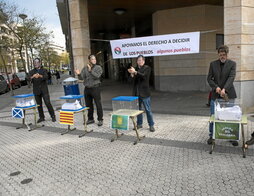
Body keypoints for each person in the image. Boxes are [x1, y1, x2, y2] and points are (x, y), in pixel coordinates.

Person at [207, 45, 237, 146]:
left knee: (230, 116)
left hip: (228, 93)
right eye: (220, 55)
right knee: (213, 116)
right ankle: (211, 136)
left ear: (227, 54)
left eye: (224, 55)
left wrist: (224, 89)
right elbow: (209, 78)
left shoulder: (232, 64)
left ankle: (232, 137)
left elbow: (231, 77)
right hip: (216, 94)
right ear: (218, 54)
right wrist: (216, 87)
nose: (222, 56)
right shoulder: (213, 64)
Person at [128, 55, 155, 132]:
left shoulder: (147, 68)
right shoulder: (135, 69)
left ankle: (151, 125)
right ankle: (139, 124)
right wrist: (131, 74)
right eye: (138, 60)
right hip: (137, 93)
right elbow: (130, 81)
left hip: (145, 93)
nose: (139, 62)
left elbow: (144, 77)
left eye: (140, 60)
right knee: (138, 110)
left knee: (148, 110)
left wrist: (135, 72)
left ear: (143, 61)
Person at [75, 54, 103, 126]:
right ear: (89, 60)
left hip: (95, 88)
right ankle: (90, 119)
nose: (94, 60)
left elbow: (97, 76)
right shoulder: (85, 68)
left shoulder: (98, 67)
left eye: (95, 59)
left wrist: (91, 71)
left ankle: (100, 119)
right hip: (87, 89)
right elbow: (82, 78)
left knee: (98, 104)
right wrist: (78, 74)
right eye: (93, 59)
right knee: (88, 104)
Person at [29, 58, 56, 123]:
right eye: (35, 62)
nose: (36, 63)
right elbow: (27, 78)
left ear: (40, 63)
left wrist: (40, 76)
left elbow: (46, 77)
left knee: (47, 103)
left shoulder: (44, 70)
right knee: (39, 104)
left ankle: (52, 116)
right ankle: (41, 117)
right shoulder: (31, 71)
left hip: (44, 90)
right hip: (36, 90)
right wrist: (32, 77)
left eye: (37, 62)